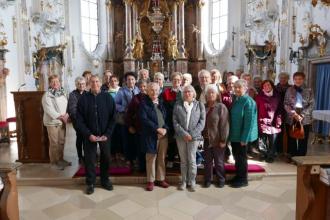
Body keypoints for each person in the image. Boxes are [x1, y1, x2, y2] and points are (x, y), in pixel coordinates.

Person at [76, 75, 116, 195]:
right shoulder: (83, 99)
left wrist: (107, 134)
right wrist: (88, 134)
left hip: (104, 134)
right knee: (90, 159)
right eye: (92, 82)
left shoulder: (107, 97)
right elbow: (79, 120)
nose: (95, 84)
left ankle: (105, 180)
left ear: (100, 83)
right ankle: (90, 182)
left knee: (106, 157)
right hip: (90, 135)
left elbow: (113, 117)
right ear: (89, 84)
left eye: (97, 81)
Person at [173, 85, 205, 192]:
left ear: (193, 93)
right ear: (183, 94)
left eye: (190, 92)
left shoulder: (199, 105)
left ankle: (192, 181)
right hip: (181, 137)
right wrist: (184, 134)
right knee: (183, 160)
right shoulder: (178, 105)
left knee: (192, 160)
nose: (187, 93)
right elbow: (175, 121)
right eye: (185, 92)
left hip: (194, 137)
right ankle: (183, 181)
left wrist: (191, 134)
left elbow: (202, 122)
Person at [140, 82, 169, 191]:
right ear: (147, 91)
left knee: (161, 158)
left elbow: (166, 118)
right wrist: (157, 129)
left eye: (156, 90)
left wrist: (165, 128)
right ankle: (151, 181)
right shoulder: (144, 104)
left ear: (159, 91)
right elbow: (144, 119)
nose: (154, 92)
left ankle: (160, 178)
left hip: (163, 135)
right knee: (151, 158)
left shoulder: (161, 103)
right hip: (150, 135)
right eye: (151, 90)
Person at [229, 79, 258, 188]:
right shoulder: (236, 99)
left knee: (241, 158)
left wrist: (244, 138)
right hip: (235, 135)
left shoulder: (249, 101)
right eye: (235, 87)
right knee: (237, 157)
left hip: (242, 136)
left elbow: (249, 122)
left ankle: (243, 179)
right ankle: (238, 176)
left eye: (239, 87)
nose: (236, 89)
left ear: (245, 89)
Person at [203, 84, 229, 188]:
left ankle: (221, 179)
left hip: (218, 140)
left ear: (217, 94)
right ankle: (208, 180)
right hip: (206, 139)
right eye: (208, 93)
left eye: (212, 92)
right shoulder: (203, 106)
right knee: (207, 162)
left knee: (219, 162)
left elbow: (224, 124)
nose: (210, 94)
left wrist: (223, 139)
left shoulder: (221, 107)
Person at [42, 74, 70, 170]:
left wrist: (67, 115)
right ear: (50, 83)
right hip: (52, 122)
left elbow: (68, 105)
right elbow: (48, 109)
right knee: (54, 143)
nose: (55, 83)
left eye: (57, 81)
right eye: (53, 82)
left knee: (61, 142)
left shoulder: (63, 93)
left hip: (62, 121)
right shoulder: (47, 95)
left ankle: (60, 159)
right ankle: (54, 162)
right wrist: (60, 117)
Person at [284, 72, 314, 158]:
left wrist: (302, 115)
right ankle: (292, 155)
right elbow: (286, 103)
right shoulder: (289, 89)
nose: (298, 81)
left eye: (300, 79)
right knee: (292, 137)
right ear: (293, 80)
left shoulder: (309, 90)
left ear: (303, 79)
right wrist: (293, 113)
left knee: (303, 138)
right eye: (296, 79)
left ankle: (301, 157)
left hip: (305, 116)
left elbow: (312, 104)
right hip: (292, 115)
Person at [115, 72, 140, 167]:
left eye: (132, 79)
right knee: (126, 140)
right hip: (125, 119)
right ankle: (128, 159)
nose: (131, 81)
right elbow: (116, 104)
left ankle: (136, 158)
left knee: (136, 139)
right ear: (125, 81)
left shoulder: (138, 90)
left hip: (136, 119)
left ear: (135, 80)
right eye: (128, 79)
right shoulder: (121, 91)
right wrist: (124, 109)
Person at [255, 80, 282, 163]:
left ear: (272, 86)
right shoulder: (259, 96)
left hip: (273, 120)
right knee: (261, 139)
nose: (267, 87)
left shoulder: (277, 96)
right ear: (262, 87)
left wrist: (278, 120)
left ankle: (271, 155)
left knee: (272, 139)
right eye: (265, 85)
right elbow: (256, 109)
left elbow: (280, 109)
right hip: (261, 120)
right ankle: (263, 154)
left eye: (269, 85)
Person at [125, 80, 148, 171]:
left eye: (144, 86)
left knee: (148, 150)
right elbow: (129, 113)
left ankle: (149, 168)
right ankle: (142, 167)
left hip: (149, 129)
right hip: (138, 128)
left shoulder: (150, 97)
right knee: (140, 148)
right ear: (138, 88)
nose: (143, 88)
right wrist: (130, 126)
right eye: (141, 87)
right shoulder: (135, 98)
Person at [162, 72, 183, 168]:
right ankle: (170, 159)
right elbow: (163, 107)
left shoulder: (184, 92)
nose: (176, 82)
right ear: (171, 81)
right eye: (174, 80)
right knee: (171, 141)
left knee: (181, 141)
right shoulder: (166, 92)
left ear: (181, 81)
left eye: (178, 80)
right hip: (170, 120)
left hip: (182, 122)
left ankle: (181, 160)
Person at [67, 76, 87, 165]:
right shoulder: (73, 94)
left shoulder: (88, 93)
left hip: (87, 121)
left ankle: (87, 155)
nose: (81, 85)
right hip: (77, 121)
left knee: (87, 138)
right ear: (76, 85)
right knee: (80, 138)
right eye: (79, 84)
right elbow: (72, 109)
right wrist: (80, 119)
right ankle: (80, 156)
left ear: (85, 84)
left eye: (83, 84)